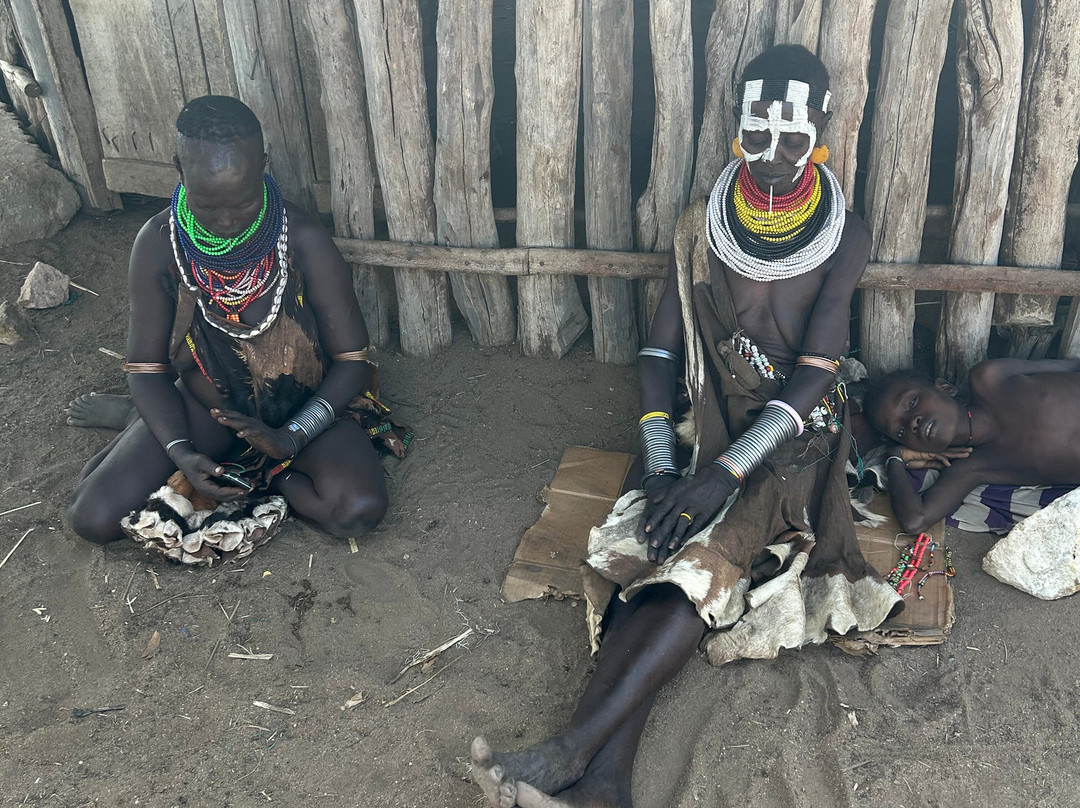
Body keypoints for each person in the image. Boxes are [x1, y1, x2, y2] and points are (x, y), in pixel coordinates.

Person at [469, 46, 901, 808]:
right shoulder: (701, 226)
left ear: (821, 135)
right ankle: (604, 786)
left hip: (795, 440)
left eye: (792, 140)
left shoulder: (845, 232)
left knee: (698, 564)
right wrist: (667, 466)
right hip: (706, 421)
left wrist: (721, 477)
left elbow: (815, 370)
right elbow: (660, 352)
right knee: (649, 554)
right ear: (737, 129)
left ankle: (572, 754)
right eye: (757, 137)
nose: (772, 157)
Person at [66, 95, 405, 545]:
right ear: (178, 170)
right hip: (206, 411)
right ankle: (143, 419)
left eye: (244, 203)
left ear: (263, 164)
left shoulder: (302, 239)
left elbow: (352, 359)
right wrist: (182, 453)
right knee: (93, 519)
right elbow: (146, 368)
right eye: (207, 206)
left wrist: (292, 438)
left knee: (356, 511)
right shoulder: (159, 244)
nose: (226, 221)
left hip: (307, 408)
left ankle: (269, 473)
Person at [862, 358, 1080, 536]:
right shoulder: (971, 467)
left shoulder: (989, 377)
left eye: (912, 402)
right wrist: (894, 458)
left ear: (945, 388)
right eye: (900, 432)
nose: (912, 422)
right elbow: (915, 521)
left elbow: (1072, 365)